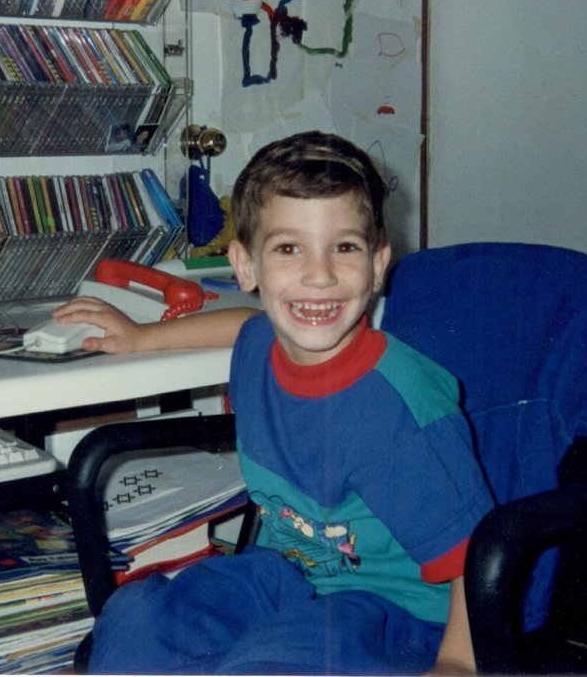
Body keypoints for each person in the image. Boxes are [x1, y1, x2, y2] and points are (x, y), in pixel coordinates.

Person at [53, 132, 493, 674]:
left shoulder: (398, 406)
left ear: (378, 264)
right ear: (245, 265)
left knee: (267, 665)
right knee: (139, 621)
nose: (319, 275)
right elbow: (245, 324)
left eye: (345, 247)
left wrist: (459, 663)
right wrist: (143, 337)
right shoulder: (262, 344)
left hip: (394, 612)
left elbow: (473, 553)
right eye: (288, 248)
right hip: (288, 576)